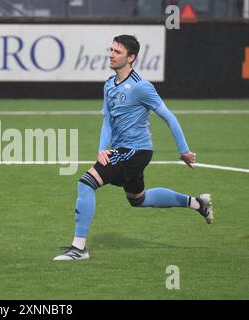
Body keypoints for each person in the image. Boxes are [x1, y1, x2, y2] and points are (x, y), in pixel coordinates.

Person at [54, 35, 213, 261]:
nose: (111, 54)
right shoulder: (109, 84)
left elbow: (169, 117)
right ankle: (198, 203)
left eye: (117, 52)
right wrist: (102, 149)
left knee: (86, 183)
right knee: (138, 199)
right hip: (123, 150)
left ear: (131, 57)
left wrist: (184, 151)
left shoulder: (141, 86)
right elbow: (107, 120)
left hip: (135, 151)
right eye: (110, 50)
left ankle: (78, 249)